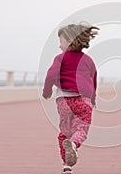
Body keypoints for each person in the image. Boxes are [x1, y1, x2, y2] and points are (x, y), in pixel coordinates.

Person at [42, 23, 99, 174]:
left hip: (63, 100)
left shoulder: (60, 58)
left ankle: (67, 165)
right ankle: (74, 143)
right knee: (81, 128)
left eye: (61, 42)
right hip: (83, 99)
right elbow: (93, 79)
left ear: (70, 41)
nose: (60, 46)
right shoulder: (88, 60)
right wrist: (93, 98)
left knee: (65, 133)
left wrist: (47, 91)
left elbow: (51, 75)